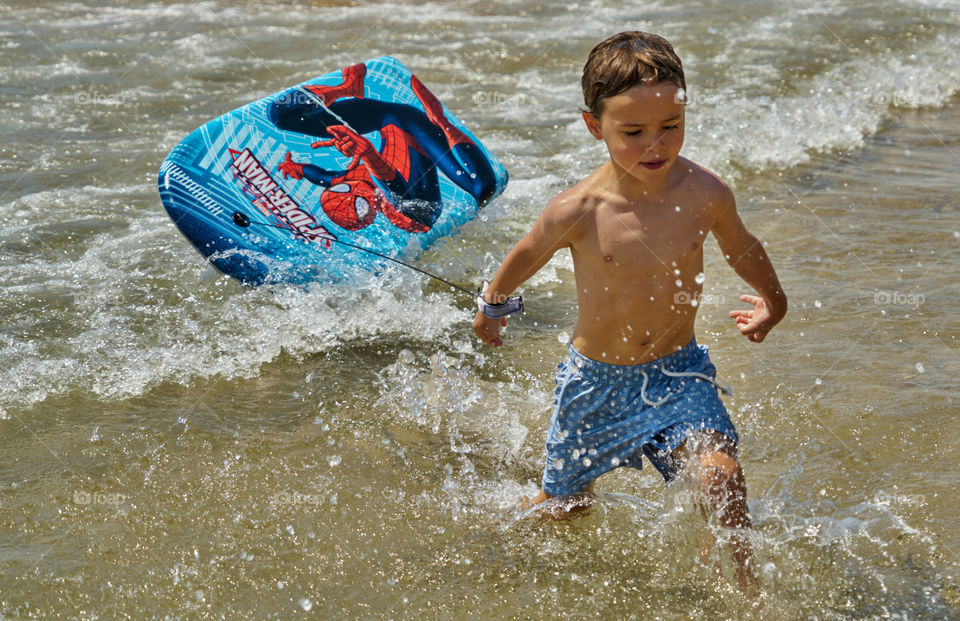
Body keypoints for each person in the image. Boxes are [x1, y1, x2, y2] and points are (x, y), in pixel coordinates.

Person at [472, 31, 787, 594]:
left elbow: (741, 245)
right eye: (633, 132)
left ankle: (745, 590)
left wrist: (773, 298)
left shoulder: (705, 192)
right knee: (566, 511)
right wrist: (493, 304)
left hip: (677, 374)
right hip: (593, 385)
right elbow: (527, 253)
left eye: (670, 125)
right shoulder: (580, 209)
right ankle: (493, 540)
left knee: (723, 478)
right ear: (595, 126)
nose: (656, 145)